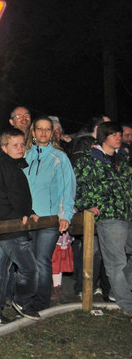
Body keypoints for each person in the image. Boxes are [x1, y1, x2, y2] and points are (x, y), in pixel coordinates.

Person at [73, 121, 132, 319]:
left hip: (127, 214)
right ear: (103, 137)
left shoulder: (121, 159)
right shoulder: (90, 159)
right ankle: (127, 304)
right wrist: (87, 205)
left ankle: (119, 290)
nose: (119, 138)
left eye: (120, 134)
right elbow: (78, 184)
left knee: (121, 262)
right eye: (114, 134)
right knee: (117, 262)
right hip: (109, 216)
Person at [0, 128, 40, 324]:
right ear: (4, 148)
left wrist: (29, 211)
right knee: (30, 269)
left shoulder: (13, 166)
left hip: (9, 226)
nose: (20, 148)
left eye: (22, 144)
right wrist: (16, 217)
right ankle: (22, 301)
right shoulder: (1, 167)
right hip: (8, 227)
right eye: (15, 145)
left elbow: (17, 196)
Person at [24, 116, 75, 309]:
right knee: (27, 261)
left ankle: (41, 302)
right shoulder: (24, 155)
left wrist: (65, 215)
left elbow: (68, 188)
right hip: (26, 218)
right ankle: (25, 299)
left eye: (47, 129)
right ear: (33, 132)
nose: (43, 133)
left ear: (52, 133)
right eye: (40, 129)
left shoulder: (59, 157)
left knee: (42, 259)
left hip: (49, 219)